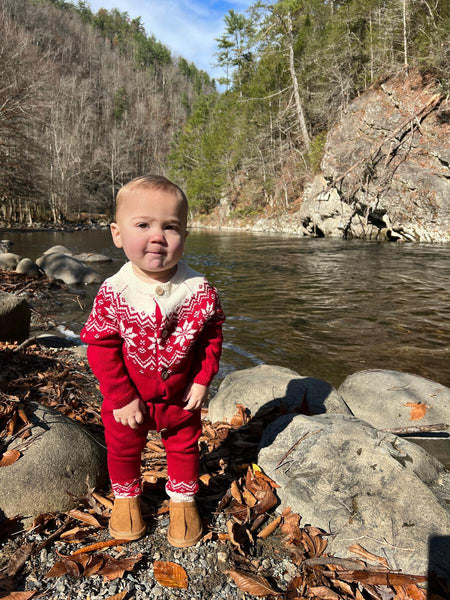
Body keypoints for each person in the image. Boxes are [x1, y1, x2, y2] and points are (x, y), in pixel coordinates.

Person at [80, 175, 224, 547]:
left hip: (180, 397)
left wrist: (202, 379)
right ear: (117, 234)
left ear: (185, 236)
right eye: (143, 225)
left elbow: (211, 338)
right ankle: (127, 499)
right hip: (129, 399)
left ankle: (183, 501)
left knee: (184, 445)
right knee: (123, 447)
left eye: (170, 227)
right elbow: (100, 345)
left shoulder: (199, 290)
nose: (157, 236)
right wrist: (120, 396)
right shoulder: (115, 290)